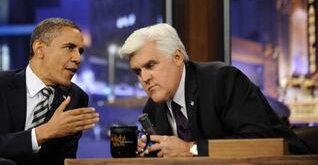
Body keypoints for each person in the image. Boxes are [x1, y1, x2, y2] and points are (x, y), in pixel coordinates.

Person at [119, 23, 311, 157]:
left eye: (150, 65)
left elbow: (259, 142)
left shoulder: (223, 80)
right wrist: (148, 151)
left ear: (177, 57)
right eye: (138, 71)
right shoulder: (152, 109)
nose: (144, 78)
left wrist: (191, 149)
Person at [0, 18, 100, 165]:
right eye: (69, 47)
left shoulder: (76, 98)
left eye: (80, 51)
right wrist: (42, 133)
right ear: (39, 49)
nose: (78, 58)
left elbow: (63, 160)